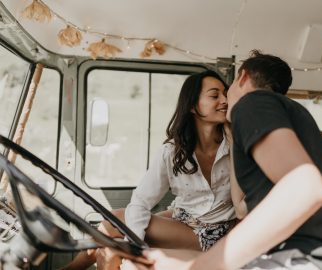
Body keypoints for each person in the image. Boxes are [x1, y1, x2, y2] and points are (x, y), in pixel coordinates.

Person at [123, 50, 322, 270]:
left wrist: (203, 265)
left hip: (315, 259)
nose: (224, 100)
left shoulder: (252, 103)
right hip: (303, 256)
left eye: (227, 89)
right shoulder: (279, 117)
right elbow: (242, 208)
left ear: (242, 77)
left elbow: (305, 189)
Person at [61, 70, 240, 270]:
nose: (225, 100)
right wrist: (135, 244)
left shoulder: (235, 144)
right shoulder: (172, 151)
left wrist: (134, 247)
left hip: (216, 231)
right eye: (215, 96)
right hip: (184, 219)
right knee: (111, 226)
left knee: (116, 224)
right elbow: (141, 201)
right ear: (192, 106)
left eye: (226, 94)